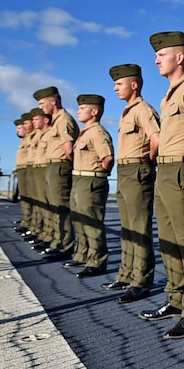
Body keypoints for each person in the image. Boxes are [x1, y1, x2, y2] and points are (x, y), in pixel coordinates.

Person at [135, 32, 184, 345]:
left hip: (182, 169)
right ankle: (177, 297)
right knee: (168, 239)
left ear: (179, 57)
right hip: (164, 171)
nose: (156, 60)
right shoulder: (168, 96)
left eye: (162, 54)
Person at [105, 64, 160, 298]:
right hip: (125, 171)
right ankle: (126, 274)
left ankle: (141, 279)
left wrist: (147, 160)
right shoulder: (127, 111)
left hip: (138, 169)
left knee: (139, 227)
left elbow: (157, 137)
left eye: (119, 84)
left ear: (134, 85)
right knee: (127, 227)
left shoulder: (143, 110)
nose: (115, 88)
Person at [67, 94, 114, 277]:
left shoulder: (98, 132)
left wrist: (98, 172)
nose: (78, 110)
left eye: (82, 108)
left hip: (91, 180)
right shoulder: (84, 133)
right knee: (79, 220)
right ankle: (82, 255)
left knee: (92, 222)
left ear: (94, 111)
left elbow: (108, 158)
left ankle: (97, 262)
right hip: (79, 179)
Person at [34, 86, 80, 261]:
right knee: (54, 207)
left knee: (61, 207)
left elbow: (69, 148)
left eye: (42, 103)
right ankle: (57, 241)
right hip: (53, 166)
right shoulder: (56, 121)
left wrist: (67, 165)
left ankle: (65, 245)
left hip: (60, 166)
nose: (41, 107)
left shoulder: (64, 120)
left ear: (53, 101)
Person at [26, 108, 52, 252]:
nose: (32, 122)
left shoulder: (50, 132)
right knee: (39, 202)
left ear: (46, 120)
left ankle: (49, 236)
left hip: (45, 169)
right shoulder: (40, 135)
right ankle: (43, 233)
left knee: (48, 204)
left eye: (36, 119)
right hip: (37, 168)